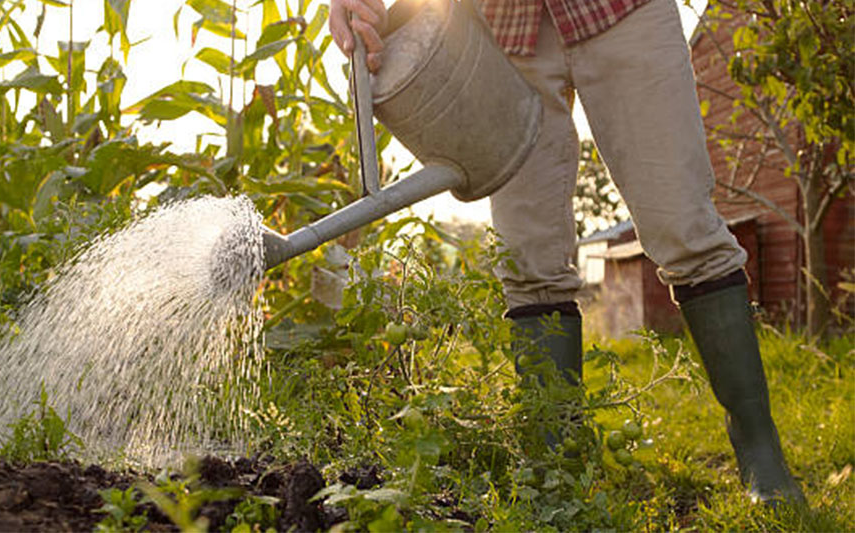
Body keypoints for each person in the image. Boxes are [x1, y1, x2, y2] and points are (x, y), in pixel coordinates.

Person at [329, 0, 804, 505]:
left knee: (684, 228)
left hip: (624, 13)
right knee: (528, 259)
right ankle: (554, 467)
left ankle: (759, 448)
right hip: (502, 27)